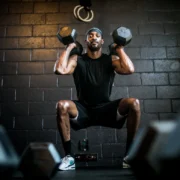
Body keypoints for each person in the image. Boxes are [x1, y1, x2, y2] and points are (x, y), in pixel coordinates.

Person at [54, 27, 141, 171]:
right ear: (86, 41)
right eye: (90, 36)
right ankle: (69, 157)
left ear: (102, 41)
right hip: (83, 110)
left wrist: (118, 48)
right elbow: (60, 70)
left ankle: (129, 156)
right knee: (62, 105)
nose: (94, 37)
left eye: (97, 36)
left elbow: (129, 69)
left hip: (106, 109)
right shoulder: (78, 59)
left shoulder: (111, 59)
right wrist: (69, 47)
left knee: (134, 103)